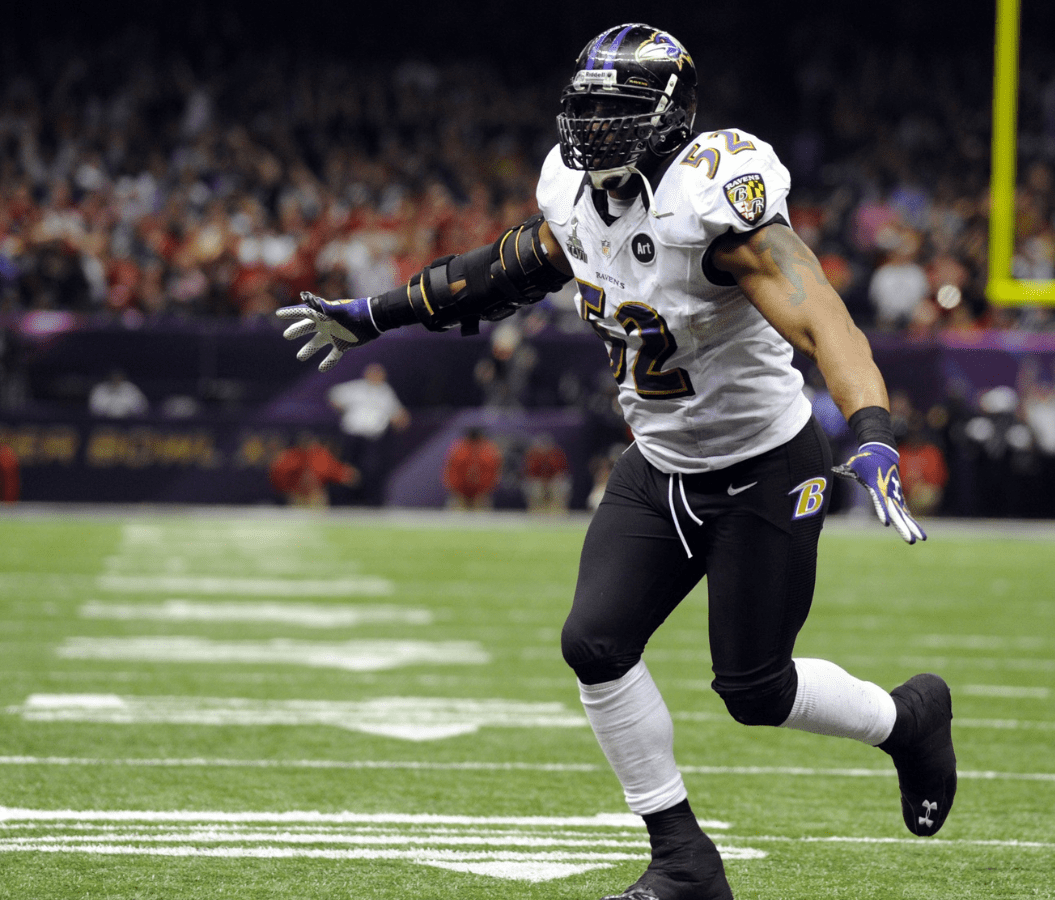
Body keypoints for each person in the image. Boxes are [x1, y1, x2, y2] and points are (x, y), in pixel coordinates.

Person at [277, 24, 951, 900]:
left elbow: (823, 316)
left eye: (619, 110)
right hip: (660, 464)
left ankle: (909, 720)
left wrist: (871, 429)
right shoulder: (573, 191)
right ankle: (682, 858)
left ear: (671, 119)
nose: (594, 129)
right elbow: (503, 270)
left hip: (765, 464)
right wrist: (375, 313)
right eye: (587, 109)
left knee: (754, 688)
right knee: (593, 643)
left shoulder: (714, 201)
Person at [327, 362, 411, 505]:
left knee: (371, 470)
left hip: (373, 441)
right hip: (352, 438)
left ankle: (369, 502)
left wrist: (400, 419)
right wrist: (341, 409)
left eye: (379, 375)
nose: (376, 377)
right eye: (373, 374)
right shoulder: (356, 388)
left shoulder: (386, 392)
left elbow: (399, 416)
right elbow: (333, 395)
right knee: (347, 470)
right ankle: (344, 501)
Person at [268, 437, 358, 507]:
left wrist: (346, 474)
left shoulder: (320, 458)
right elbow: (277, 472)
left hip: (315, 496)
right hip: (297, 495)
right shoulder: (290, 459)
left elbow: (346, 474)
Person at [441, 426, 503, 510]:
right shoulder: (459, 449)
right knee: (457, 508)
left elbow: (492, 473)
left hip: (481, 491)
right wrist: (458, 492)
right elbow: (452, 472)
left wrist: (482, 491)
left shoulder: (488, 450)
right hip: (461, 490)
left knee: (481, 508)